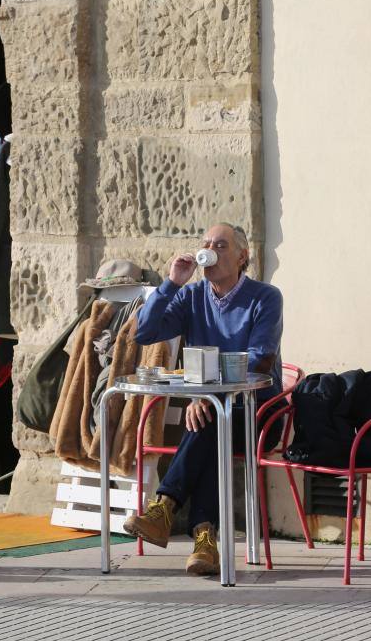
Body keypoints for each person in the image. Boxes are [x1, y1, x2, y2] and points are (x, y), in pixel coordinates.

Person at [122, 223, 284, 576]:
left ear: (241, 257)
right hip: (214, 413)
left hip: (259, 414)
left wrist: (207, 394)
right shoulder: (190, 296)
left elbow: (259, 358)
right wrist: (171, 284)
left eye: (221, 245)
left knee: (210, 420)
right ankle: (203, 540)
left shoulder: (266, 297)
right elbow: (146, 333)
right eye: (206, 243)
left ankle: (167, 508)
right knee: (211, 427)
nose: (210, 249)